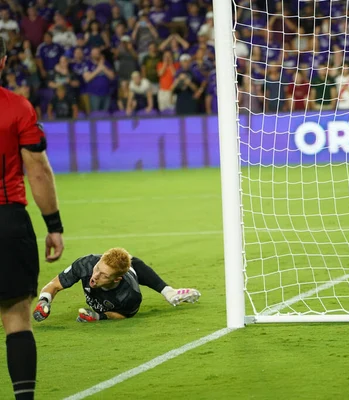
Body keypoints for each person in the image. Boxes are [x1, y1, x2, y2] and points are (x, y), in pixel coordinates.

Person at [0, 37, 65, 400]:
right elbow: (37, 169)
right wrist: (53, 226)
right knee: (15, 318)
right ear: (3, 62)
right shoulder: (17, 108)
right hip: (6, 221)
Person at [33, 248, 200, 323]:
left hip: (128, 281)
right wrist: (43, 302)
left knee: (134, 265)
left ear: (116, 280)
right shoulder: (86, 264)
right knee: (131, 261)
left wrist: (99, 316)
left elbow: (124, 315)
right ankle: (168, 291)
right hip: (122, 271)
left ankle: (168, 291)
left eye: (103, 275)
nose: (94, 276)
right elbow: (53, 285)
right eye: (97, 268)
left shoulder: (130, 295)